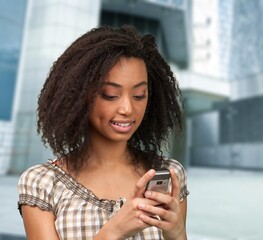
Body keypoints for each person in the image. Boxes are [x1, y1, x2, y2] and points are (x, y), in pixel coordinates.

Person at [17, 25, 189, 240]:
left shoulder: (169, 174)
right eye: (110, 95)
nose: (127, 109)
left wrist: (178, 233)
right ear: (79, 95)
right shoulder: (42, 183)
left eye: (139, 95)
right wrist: (113, 231)